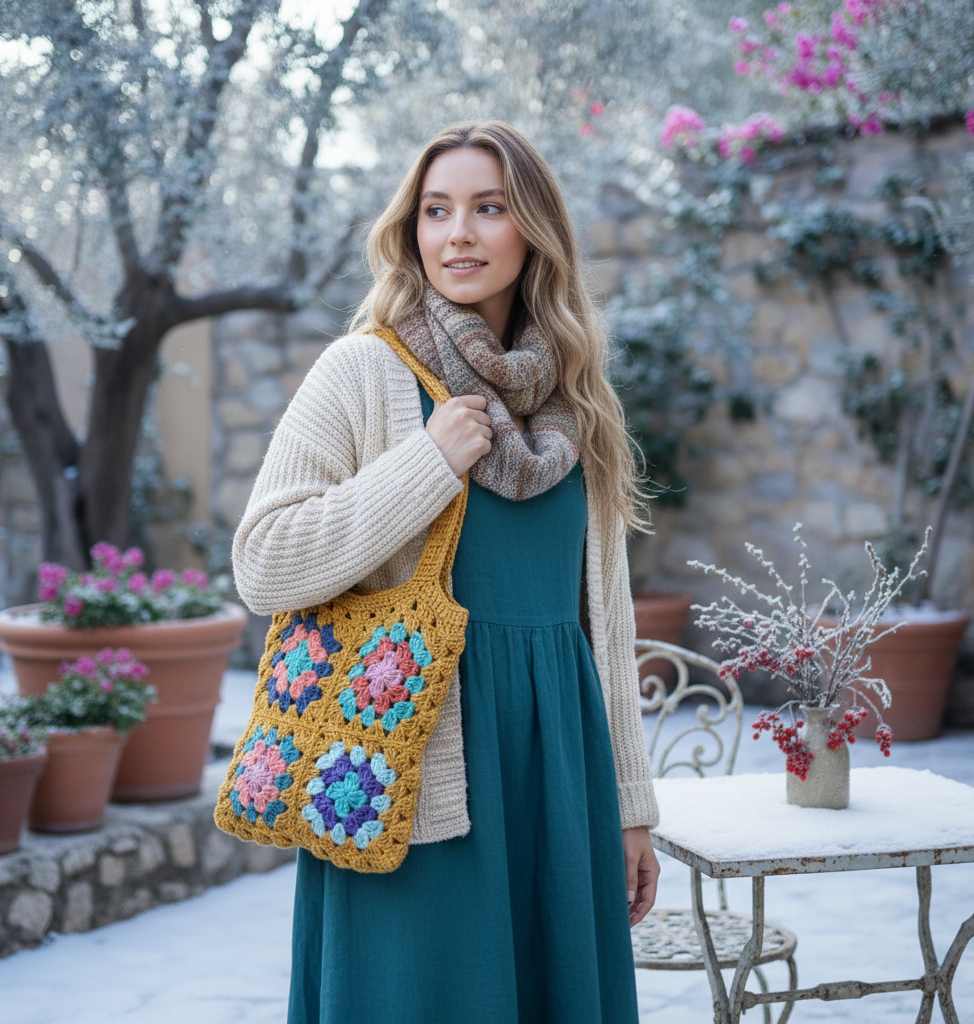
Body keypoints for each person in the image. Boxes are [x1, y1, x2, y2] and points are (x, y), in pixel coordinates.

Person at [232, 120, 660, 1024]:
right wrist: (426, 463)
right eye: (436, 210)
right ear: (411, 230)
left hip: (556, 775)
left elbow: (607, 626)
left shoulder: (581, 402)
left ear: (533, 231)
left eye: (487, 208)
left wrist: (630, 804)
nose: (457, 232)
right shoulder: (362, 370)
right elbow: (263, 562)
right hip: (404, 763)